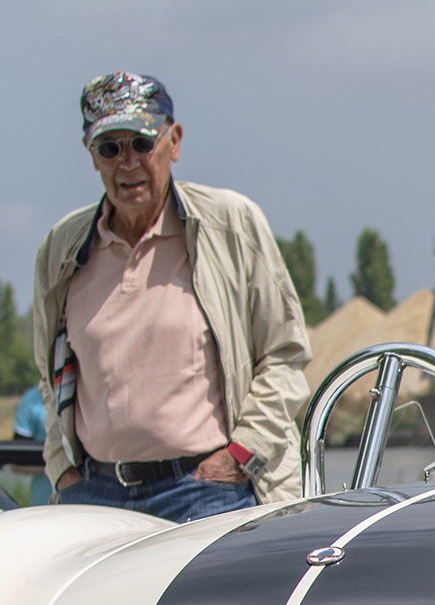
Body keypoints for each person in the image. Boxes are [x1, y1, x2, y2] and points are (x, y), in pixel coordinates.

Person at [31, 71, 312, 522]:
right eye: (110, 148)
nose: (128, 163)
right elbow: (49, 374)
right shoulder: (62, 249)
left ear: (174, 142)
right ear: (92, 156)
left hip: (207, 492)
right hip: (94, 495)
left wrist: (241, 454)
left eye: (142, 144)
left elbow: (285, 353)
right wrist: (62, 467)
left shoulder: (230, 224)